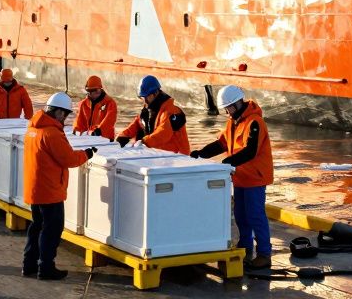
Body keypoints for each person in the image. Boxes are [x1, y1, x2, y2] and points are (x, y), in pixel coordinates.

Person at [190, 85, 274, 269]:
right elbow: (221, 143)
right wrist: (201, 153)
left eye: (228, 108)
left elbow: (250, 151)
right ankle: (245, 248)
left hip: (255, 179)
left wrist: (227, 162)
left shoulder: (254, 123)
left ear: (236, 104)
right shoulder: (233, 122)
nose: (227, 112)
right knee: (241, 215)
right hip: (240, 177)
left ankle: (264, 254)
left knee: (255, 215)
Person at [22, 93, 92, 281]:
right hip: (50, 190)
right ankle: (46, 267)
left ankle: (29, 264)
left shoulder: (33, 128)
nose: (66, 118)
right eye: (66, 114)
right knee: (51, 229)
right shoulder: (51, 133)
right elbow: (68, 159)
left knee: (36, 226)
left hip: (34, 188)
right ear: (59, 112)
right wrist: (87, 154)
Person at [117, 75, 189, 155]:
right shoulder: (147, 111)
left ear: (155, 93)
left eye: (146, 97)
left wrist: (144, 141)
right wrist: (122, 138)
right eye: (142, 97)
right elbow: (136, 125)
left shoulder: (171, 112)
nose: (144, 100)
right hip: (158, 156)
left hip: (179, 159)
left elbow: (163, 133)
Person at [73, 75, 117, 140]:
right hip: (89, 138)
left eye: (91, 91)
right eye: (87, 91)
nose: (89, 93)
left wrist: (99, 130)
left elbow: (109, 121)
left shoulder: (110, 103)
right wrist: (76, 130)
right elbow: (79, 120)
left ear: (98, 90)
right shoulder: (83, 104)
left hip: (106, 140)